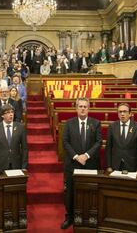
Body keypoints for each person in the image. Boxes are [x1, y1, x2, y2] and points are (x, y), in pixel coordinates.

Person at [61, 97, 101, 229]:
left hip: (90, 164)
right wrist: (77, 156)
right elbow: (65, 142)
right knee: (70, 192)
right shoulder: (69, 123)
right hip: (72, 164)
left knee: (89, 191)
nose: (83, 108)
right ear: (76, 108)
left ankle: (88, 216)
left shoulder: (95, 123)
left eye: (85, 106)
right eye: (80, 106)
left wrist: (86, 155)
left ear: (89, 108)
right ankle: (70, 217)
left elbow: (98, 142)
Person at [105, 103, 137, 173]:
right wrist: (109, 166)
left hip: (132, 165)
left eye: (125, 111)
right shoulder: (112, 126)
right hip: (115, 165)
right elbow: (108, 148)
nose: (122, 114)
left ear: (130, 114)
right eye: (120, 112)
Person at [0, 104, 28, 173]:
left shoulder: (20, 127)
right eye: (7, 113)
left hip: (16, 164)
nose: (11, 115)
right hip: (0, 165)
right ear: (2, 115)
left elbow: (24, 148)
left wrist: (24, 166)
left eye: (12, 112)